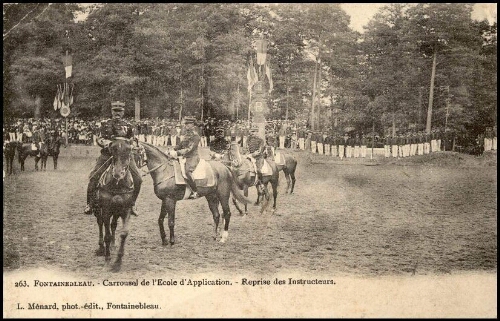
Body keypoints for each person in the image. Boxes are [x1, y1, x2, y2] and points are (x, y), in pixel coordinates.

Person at [84, 101, 142, 216]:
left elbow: (134, 140)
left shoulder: (129, 125)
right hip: (108, 155)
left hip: (125, 157)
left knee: (138, 179)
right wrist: (108, 144)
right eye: (115, 111)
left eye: (119, 111)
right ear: (111, 111)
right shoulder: (105, 124)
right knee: (94, 177)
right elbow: (99, 139)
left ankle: (132, 204)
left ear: (123, 112)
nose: (117, 113)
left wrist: (130, 145)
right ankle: (89, 203)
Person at [169, 116, 201, 199]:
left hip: (192, 157)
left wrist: (177, 152)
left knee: (187, 172)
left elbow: (190, 149)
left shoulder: (195, 136)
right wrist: (172, 149)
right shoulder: (187, 134)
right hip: (184, 156)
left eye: (188, 124)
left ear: (193, 125)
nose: (186, 125)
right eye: (186, 124)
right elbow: (180, 145)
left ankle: (195, 191)